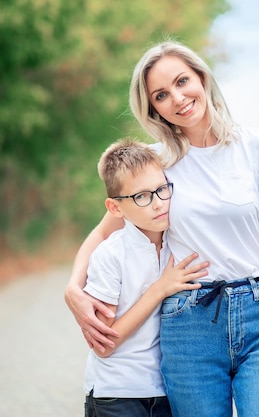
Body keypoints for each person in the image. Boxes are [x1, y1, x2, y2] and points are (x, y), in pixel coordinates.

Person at [65, 40, 259, 417]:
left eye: (182, 81)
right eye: (162, 95)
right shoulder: (155, 163)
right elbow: (104, 231)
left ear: (202, 76)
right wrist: (72, 287)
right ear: (154, 108)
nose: (178, 98)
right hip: (189, 323)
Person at [82, 138, 208, 417]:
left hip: (164, 391)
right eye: (141, 196)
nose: (158, 204)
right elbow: (104, 345)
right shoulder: (111, 255)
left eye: (162, 189)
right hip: (116, 394)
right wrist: (159, 289)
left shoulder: (177, 243)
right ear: (115, 208)